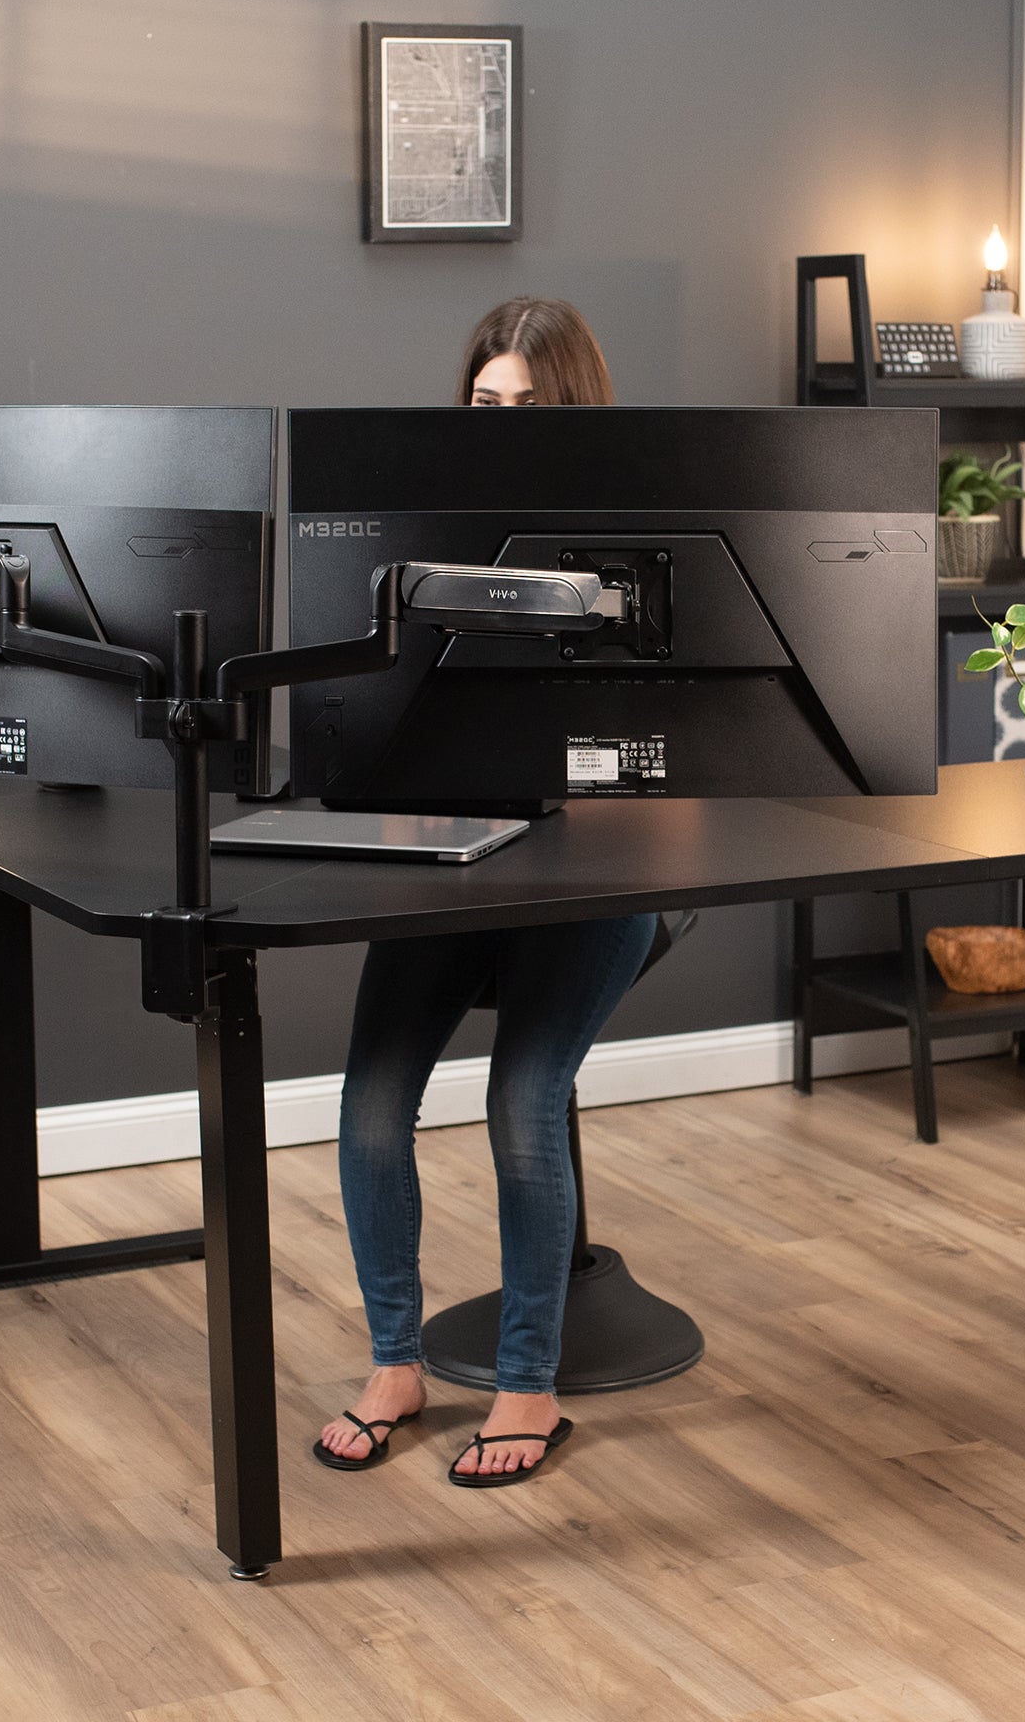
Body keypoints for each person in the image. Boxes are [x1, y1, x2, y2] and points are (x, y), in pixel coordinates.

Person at [314, 298, 654, 1488]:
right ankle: (395, 1364)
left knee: (522, 1097)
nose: (502, 425)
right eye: (483, 402)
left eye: (530, 405)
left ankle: (526, 1383)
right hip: (451, 849)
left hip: (602, 864)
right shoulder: (418, 527)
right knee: (367, 1106)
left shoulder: (642, 534)